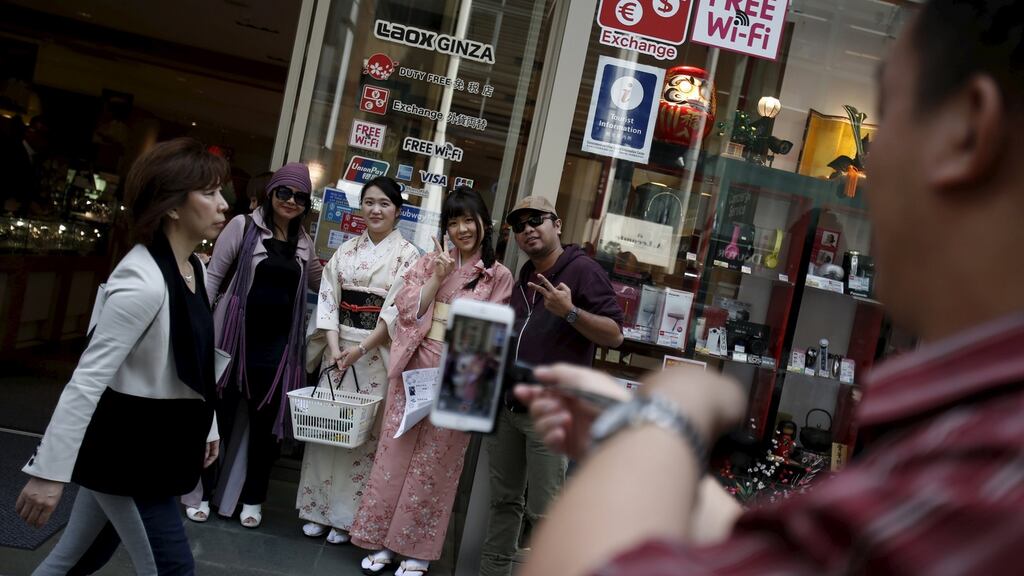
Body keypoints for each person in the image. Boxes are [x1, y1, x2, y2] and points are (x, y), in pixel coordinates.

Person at [514, 1, 1024, 575]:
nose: (870, 165)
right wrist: (646, 442)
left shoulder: (984, 470)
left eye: (891, 117)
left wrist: (667, 418)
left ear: (967, 130)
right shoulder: (963, 444)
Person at [15, 137, 229, 574]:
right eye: (209, 193)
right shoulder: (142, 278)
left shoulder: (195, 268)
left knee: (75, 558)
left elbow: (193, 358)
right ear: (171, 206)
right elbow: (88, 379)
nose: (224, 204)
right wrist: (49, 472)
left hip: (151, 448)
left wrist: (207, 424)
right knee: (172, 569)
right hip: (129, 453)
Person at [349, 187, 514, 576]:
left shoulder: (498, 275)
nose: (461, 229)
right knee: (395, 455)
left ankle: (416, 549)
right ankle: (382, 541)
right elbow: (405, 308)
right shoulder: (431, 262)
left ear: (483, 223)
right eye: (453, 221)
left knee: (435, 466)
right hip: (415, 366)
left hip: (460, 376)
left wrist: (458, 371)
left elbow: (490, 334)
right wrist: (436, 278)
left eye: (468, 220)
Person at [480, 195, 624, 576]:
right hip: (510, 410)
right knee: (505, 503)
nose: (528, 229)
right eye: (519, 225)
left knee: (544, 514)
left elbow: (614, 335)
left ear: (556, 224)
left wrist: (571, 312)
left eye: (536, 220)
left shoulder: (583, 271)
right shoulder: (523, 276)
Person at [181, 162, 323, 528]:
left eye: (300, 197)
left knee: (265, 431)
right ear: (272, 192)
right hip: (233, 339)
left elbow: (325, 285)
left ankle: (252, 499)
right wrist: (200, 329)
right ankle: (197, 494)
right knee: (217, 422)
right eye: (285, 193)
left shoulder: (304, 244)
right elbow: (212, 279)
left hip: (278, 351)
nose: (292, 201)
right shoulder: (242, 226)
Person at [296, 176, 420, 543]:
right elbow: (329, 301)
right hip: (339, 351)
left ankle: (349, 517)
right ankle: (317, 509)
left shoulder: (408, 256)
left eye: (384, 203)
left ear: (397, 211)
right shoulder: (345, 251)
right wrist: (334, 347)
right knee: (326, 428)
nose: (375, 209)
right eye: (369, 202)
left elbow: (398, 309)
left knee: (363, 434)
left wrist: (362, 348)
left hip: (373, 354)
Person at [1, 114, 49, 215]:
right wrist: (3, 203)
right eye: (41, 134)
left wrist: (32, 203)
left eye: (46, 136)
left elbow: (25, 188)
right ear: (28, 132)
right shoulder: (10, 150)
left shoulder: (35, 158)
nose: (44, 141)